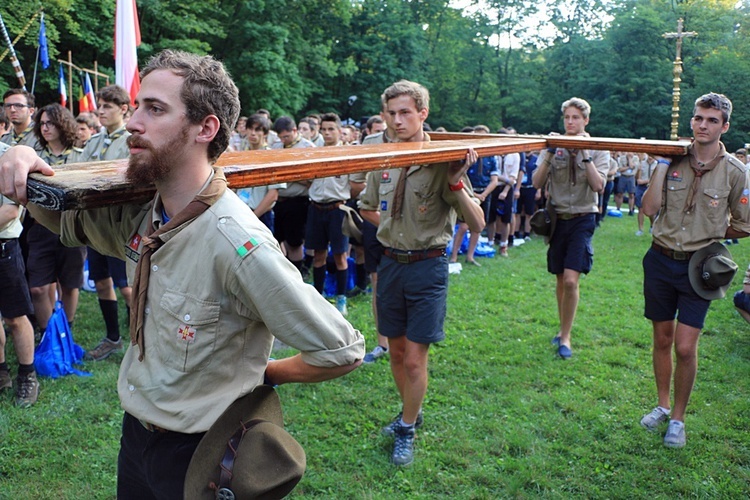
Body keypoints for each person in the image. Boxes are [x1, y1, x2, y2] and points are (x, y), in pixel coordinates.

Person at [0, 49, 364, 498]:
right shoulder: (148, 213)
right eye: (137, 107)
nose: (134, 122)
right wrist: (18, 159)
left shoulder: (238, 246)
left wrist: (266, 373)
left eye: (154, 109)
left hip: (202, 455)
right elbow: (64, 221)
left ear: (205, 128)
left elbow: (341, 350)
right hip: (136, 437)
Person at [360, 80, 484, 466]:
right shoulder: (382, 157)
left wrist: (455, 180)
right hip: (390, 263)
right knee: (396, 353)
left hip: (427, 266)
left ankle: (407, 427)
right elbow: (366, 206)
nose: (397, 121)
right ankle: (408, 412)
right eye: (391, 114)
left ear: (422, 114)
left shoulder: (443, 158)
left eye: (405, 113)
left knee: (415, 359)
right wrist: (394, 228)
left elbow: (476, 221)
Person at [639, 92, 750, 448]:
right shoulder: (673, 161)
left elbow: (745, 223)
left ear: (725, 126)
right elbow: (649, 208)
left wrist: (714, 234)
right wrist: (659, 164)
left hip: (699, 268)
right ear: (692, 120)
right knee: (662, 339)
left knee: (686, 347)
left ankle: (679, 418)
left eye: (712, 120)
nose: (703, 125)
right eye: (699, 118)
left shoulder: (736, 172)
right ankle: (661, 404)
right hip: (659, 259)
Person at [532, 97, 609, 360]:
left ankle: (566, 336)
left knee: (570, 279)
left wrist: (585, 153)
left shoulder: (599, 149)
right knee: (559, 278)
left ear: (586, 120)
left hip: (583, 217)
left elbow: (599, 186)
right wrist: (551, 151)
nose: (570, 122)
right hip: (557, 218)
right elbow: (537, 181)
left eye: (576, 117)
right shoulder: (553, 145)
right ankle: (562, 325)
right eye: (567, 118)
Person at [78, 85, 134, 361]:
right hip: (95, 224)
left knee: (127, 287)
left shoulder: (131, 141)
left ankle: (142, 339)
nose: (100, 111)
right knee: (101, 282)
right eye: (99, 106)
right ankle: (113, 337)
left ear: (123, 109)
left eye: (107, 106)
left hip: (120, 224)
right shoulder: (93, 142)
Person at [26, 104, 87, 334]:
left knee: (70, 284)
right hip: (40, 227)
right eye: (42, 123)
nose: (45, 128)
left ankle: (66, 333)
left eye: (50, 122)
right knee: (39, 288)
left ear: (63, 124)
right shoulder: (34, 157)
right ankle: (47, 334)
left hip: (71, 228)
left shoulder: (82, 156)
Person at [307, 113, 364, 315]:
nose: (327, 133)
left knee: (340, 255)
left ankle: (341, 299)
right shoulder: (315, 153)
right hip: (316, 207)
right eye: (324, 129)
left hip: (337, 209)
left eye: (331, 129)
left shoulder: (347, 154)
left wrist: (344, 198)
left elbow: (357, 184)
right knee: (318, 255)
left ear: (340, 131)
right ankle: (318, 296)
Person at [0, 142, 38, 408]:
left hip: (3, 248)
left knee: (15, 316)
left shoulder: (8, 156)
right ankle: (2, 371)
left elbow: (11, 210)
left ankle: (27, 374)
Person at [271, 116, 315, 274]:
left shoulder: (307, 148)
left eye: (287, 136)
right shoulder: (276, 147)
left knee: (295, 242)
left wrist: (290, 175)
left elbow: (312, 179)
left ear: (295, 131)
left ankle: (298, 274)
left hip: (297, 201)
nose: (284, 140)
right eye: (281, 137)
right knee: (278, 239)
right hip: (278, 200)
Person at [234, 114, 286, 231]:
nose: (253, 133)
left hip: (261, 215)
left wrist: (252, 217)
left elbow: (273, 195)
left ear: (265, 133)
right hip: (239, 213)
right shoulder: (240, 156)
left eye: (258, 130)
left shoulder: (272, 158)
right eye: (250, 129)